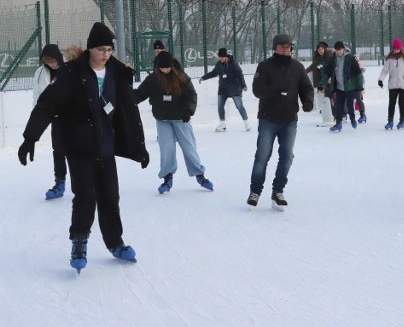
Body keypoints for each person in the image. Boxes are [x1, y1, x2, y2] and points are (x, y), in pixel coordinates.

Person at [18, 22, 149, 273]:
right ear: (90, 49)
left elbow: (129, 113)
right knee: (86, 196)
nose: (106, 54)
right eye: (101, 49)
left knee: (110, 197)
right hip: (78, 146)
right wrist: (30, 137)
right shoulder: (71, 73)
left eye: (109, 49)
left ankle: (115, 243)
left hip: (105, 146)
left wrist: (139, 148)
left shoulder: (116, 73)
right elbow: (47, 104)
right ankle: (79, 242)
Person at [247, 34, 314, 210]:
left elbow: (306, 87)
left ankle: (278, 191)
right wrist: (277, 89)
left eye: (289, 46)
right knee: (262, 156)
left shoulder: (298, 68)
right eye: (282, 46)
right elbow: (257, 90)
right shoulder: (265, 66)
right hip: (268, 118)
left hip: (289, 119)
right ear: (275, 47)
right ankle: (255, 191)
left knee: (286, 156)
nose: (286, 49)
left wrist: (308, 101)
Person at [135, 50, 213, 194]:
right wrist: (125, 94)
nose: (165, 70)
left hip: (180, 119)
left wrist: (188, 112)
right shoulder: (153, 79)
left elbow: (191, 95)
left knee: (189, 148)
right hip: (163, 120)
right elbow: (139, 94)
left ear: (172, 65)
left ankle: (200, 175)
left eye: (167, 67)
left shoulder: (182, 77)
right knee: (166, 150)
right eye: (162, 67)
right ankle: (167, 177)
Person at [32, 44, 68, 200]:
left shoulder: (70, 68)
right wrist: (37, 118)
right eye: (48, 62)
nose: (52, 64)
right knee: (58, 150)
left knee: (80, 149)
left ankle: (91, 182)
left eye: (53, 61)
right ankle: (60, 184)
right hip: (56, 118)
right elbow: (37, 96)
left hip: (74, 116)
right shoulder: (40, 73)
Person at [200, 48, 250, 132]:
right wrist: (203, 77)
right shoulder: (218, 65)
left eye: (222, 57)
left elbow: (240, 74)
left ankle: (246, 123)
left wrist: (243, 85)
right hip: (223, 88)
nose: (221, 59)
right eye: (220, 58)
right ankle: (222, 124)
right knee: (220, 106)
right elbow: (213, 73)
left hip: (234, 88)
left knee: (239, 106)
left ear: (226, 57)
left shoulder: (233, 64)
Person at [319, 41, 364, 132]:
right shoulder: (333, 59)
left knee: (350, 105)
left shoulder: (350, 58)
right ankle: (338, 123)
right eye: (336, 50)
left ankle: (352, 119)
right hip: (339, 87)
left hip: (350, 87)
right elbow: (327, 72)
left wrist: (359, 86)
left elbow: (358, 73)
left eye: (339, 49)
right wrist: (321, 84)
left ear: (343, 49)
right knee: (338, 106)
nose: (338, 51)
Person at [305, 41, 336, 126]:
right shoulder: (317, 59)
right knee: (326, 96)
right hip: (322, 80)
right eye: (319, 49)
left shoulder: (329, 57)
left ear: (325, 49)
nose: (320, 51)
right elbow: (312, 66)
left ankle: (336, 114)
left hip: (330, 79)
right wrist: (304, 71)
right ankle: (331, 114)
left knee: (331, 96)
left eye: (322, 49)